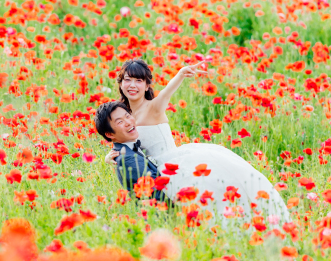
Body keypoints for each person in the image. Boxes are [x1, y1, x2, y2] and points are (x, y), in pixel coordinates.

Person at [105, 58, 289, 225]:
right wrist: (110, 156)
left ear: (146, 86)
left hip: (175, 162)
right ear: (120, 83)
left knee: (209, 199)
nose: (132, 85)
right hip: (157, 169)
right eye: (128, 79)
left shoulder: (153, 107)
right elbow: (123, 140)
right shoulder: (124, 114)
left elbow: (167, 93)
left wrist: (181, 73)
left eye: (139, 81)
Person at [94, 100, 168, 204]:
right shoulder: (127, 159)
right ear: (110, 134)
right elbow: (157, 193)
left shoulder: (129, 146)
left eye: (128, 116)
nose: (128, 122)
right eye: (120, 122)